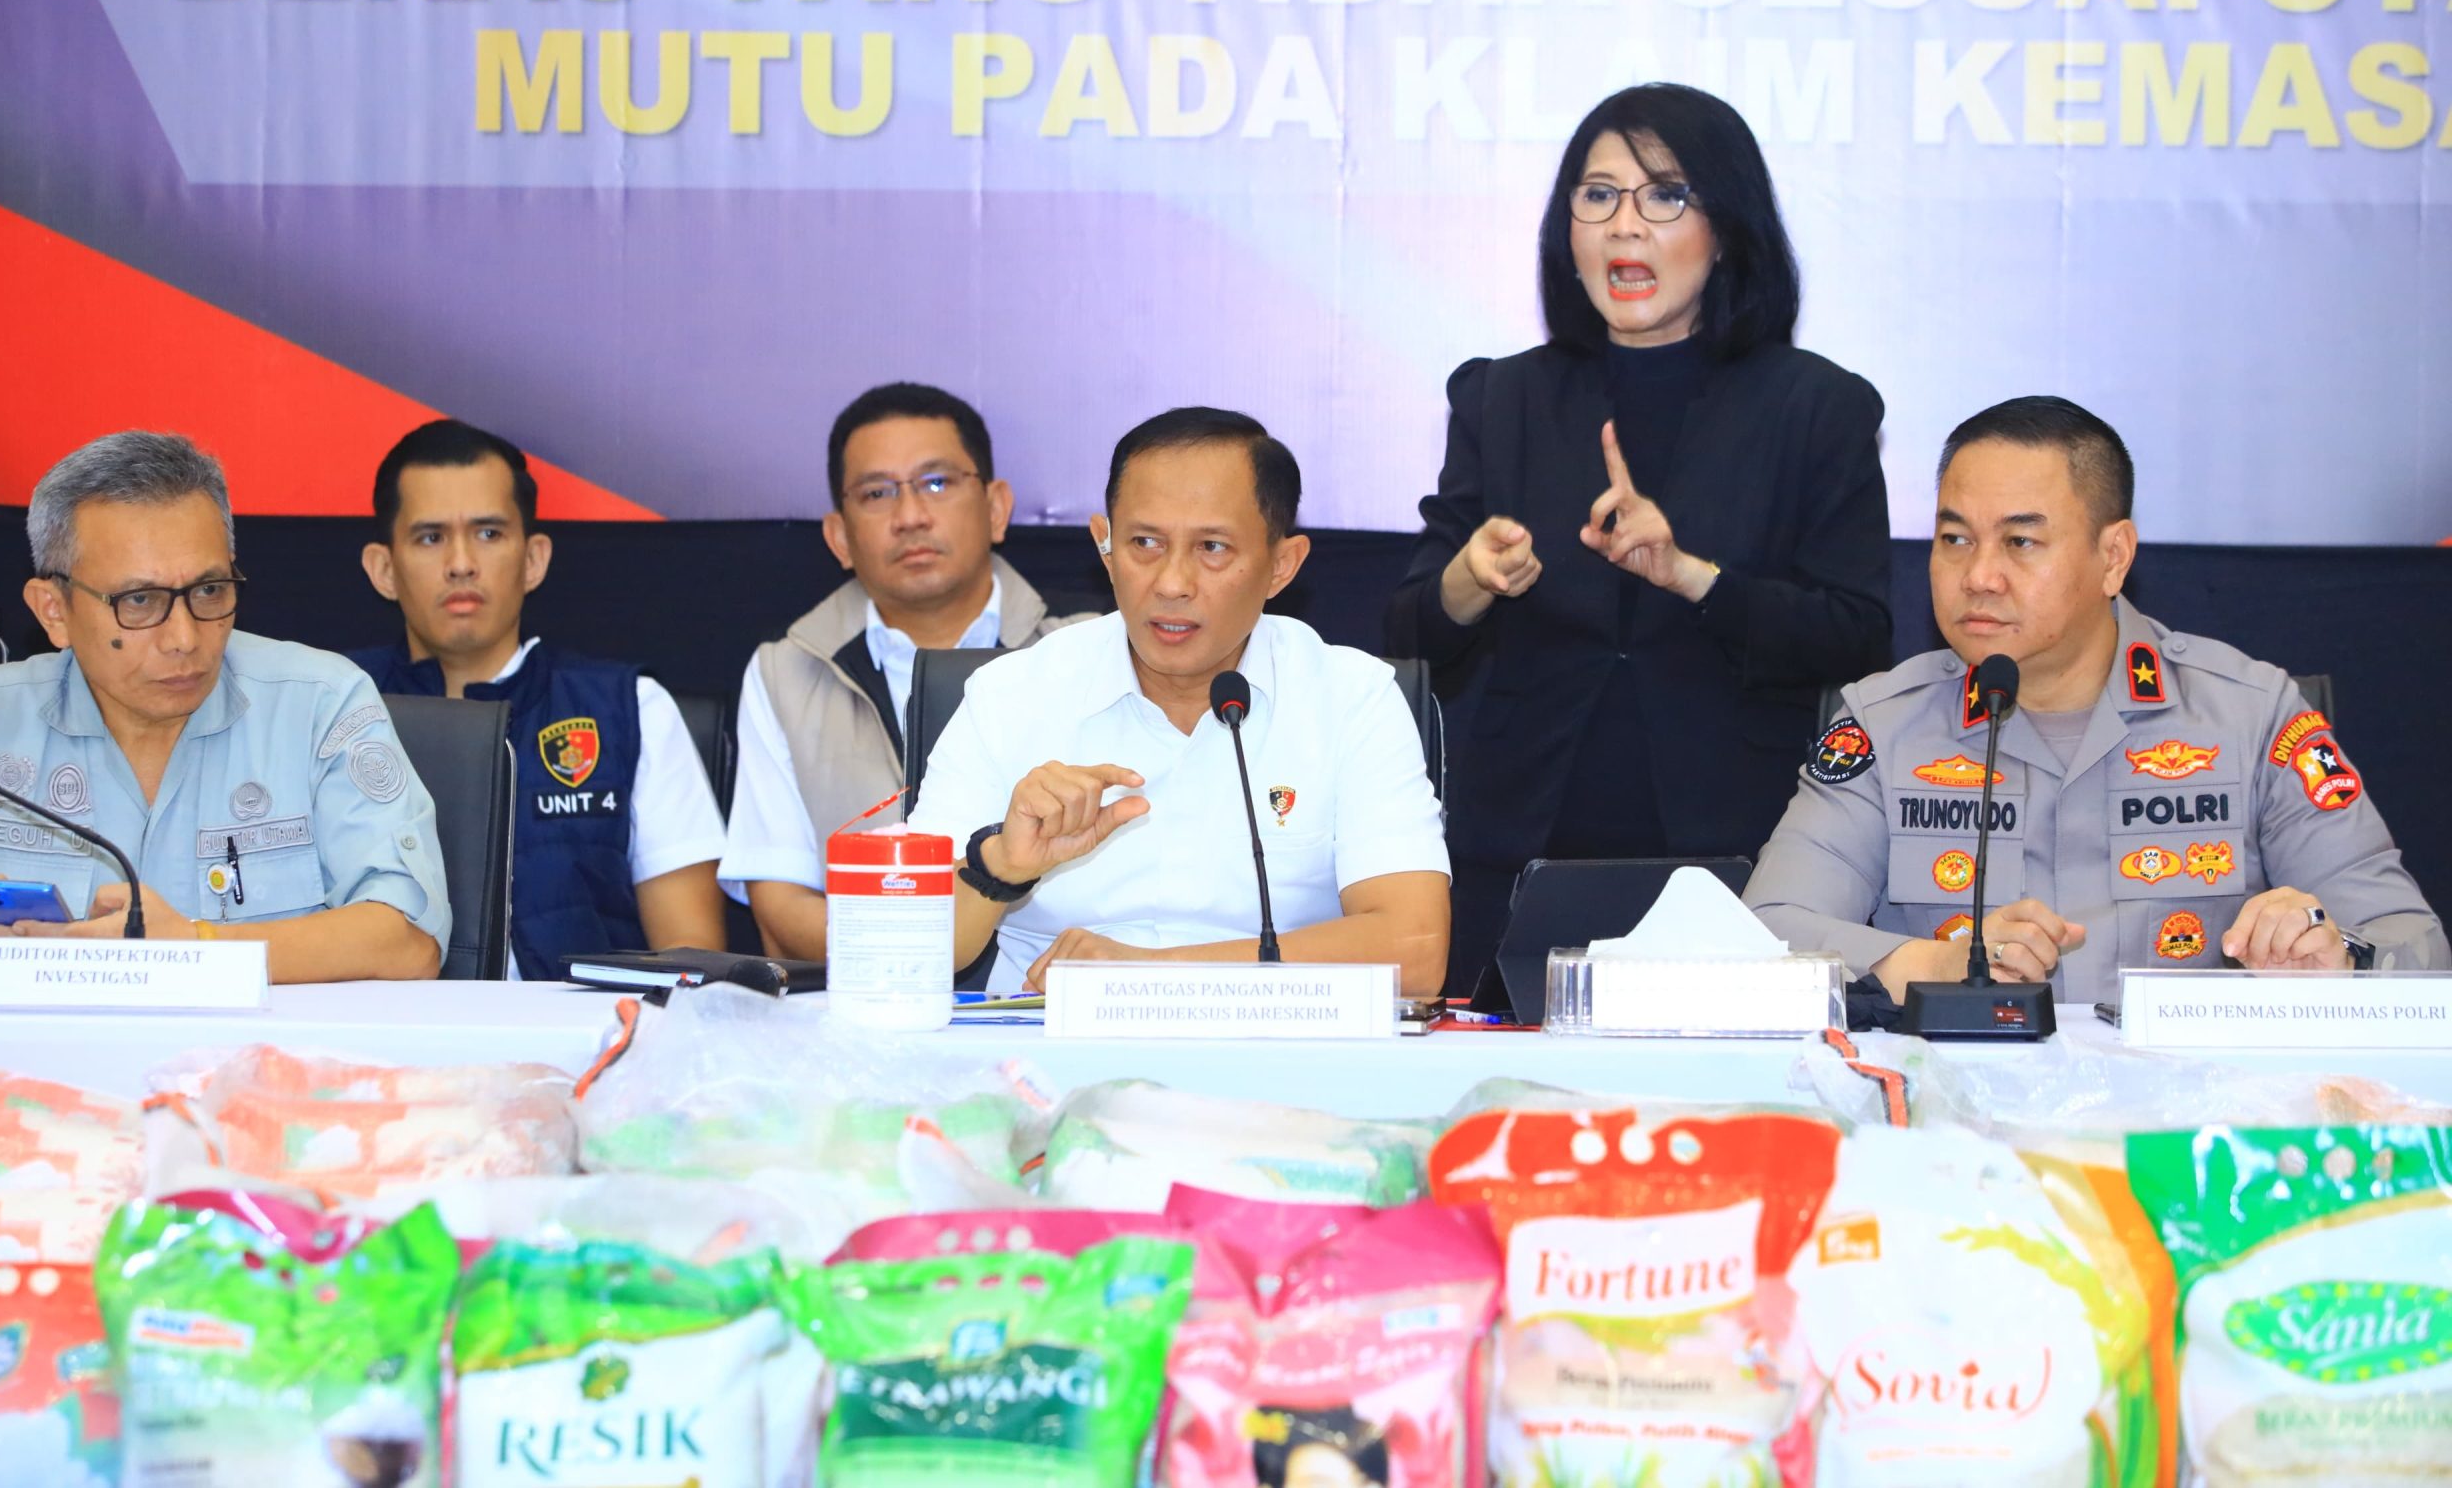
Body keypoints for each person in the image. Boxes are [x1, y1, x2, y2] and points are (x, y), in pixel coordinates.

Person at [1387, 83, 1893, 996]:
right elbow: (1412, 625)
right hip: (1519, 853)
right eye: (1598, 195)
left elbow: (1856, 633)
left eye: (1665, 195)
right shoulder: (1503, 397)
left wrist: (1695, 577)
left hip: (1736, 860)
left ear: (1726, 227)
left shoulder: (1816, 406)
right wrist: (1472, 576)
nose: (1625, 224)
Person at [1747, 396, 2445, 1002]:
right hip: (1958, 1103)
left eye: (2020, 541)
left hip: (2186, 1105)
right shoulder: (1884, 723)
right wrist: (1926, 964)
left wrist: (2340, 956)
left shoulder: (2250, 714)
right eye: (1955, 538)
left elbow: (2416, 946)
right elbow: (1763, 935)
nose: (1979, 575)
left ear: (2113, 557)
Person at [909, 407, 1451, 995]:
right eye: (1144, 543)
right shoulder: (1010, 696)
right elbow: (906, 950)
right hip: (1045, 1042)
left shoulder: (1351, 698)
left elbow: (1415, 951)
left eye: (1212, 547)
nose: (1171, 583)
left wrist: (1150, 975)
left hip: (1279, 1042)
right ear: (1104, 547)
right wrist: (1000, 867)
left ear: (1282, 565)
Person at [0, 432, 450, 979]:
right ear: (54, 611)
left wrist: (197, 946)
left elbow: (408, 941)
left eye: (209, 591)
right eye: (139, 601)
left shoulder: (321, 706)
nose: (184, 637)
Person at [351, 420, 727, 979]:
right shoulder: (332, 707)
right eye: (431, 538)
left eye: (488, 533)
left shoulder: (632, 709)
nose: (461, 563)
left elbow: (691, 960)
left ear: (534, 560)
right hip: (380, 1033)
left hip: (590, 1033)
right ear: (384, 569)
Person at [719, 383, 1078, 961]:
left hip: (1043, 994)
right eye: (877, 493)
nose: (910, 517)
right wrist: (915, 952)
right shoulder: (787, 672)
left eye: (936, 483)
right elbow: (781, 909)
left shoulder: (1080, 649)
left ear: (996, 509)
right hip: (866, 999)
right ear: (839, 537)